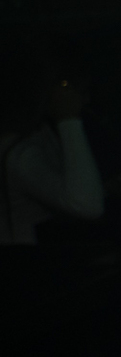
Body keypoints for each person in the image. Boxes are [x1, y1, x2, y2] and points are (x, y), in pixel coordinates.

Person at [1, 51, 104, 245]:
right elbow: (87, 205)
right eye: (79, 91)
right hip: (25, 259)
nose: (85, 100)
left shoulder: (41, 133)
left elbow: (68, 191)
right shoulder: (20, 153)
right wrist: (69, 120)